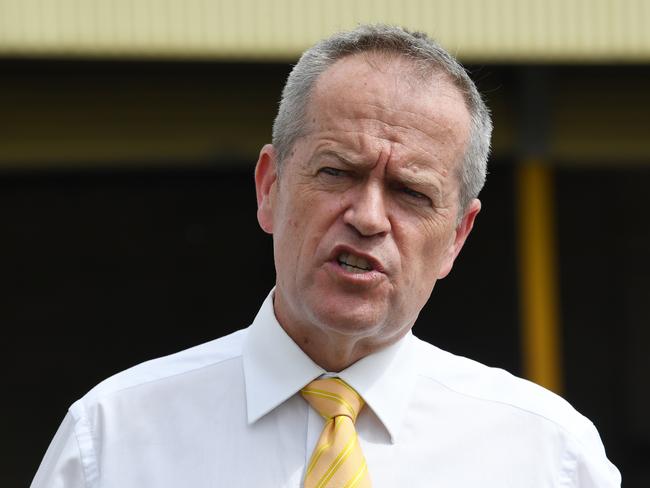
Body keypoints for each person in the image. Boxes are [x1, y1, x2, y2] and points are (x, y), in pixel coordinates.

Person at [32, 24, 621, 487]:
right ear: (269, 187)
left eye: (411, 193)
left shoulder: (548, 456)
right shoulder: (111, 439)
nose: (367, 217)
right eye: (337, 172)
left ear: (458, 237)